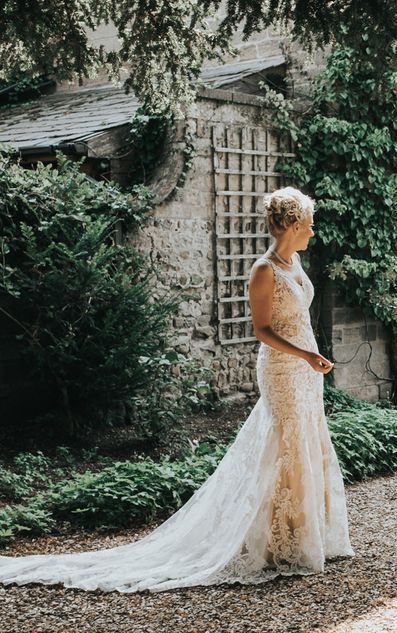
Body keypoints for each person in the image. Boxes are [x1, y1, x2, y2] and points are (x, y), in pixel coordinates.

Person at [0, 187, 354, 592]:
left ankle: (305, 535)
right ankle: (277, 543)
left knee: (306, 440)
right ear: (293, 224)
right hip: (282, 370)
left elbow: (299, 319)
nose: (313, 230)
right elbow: (262, 330)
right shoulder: (264, 270)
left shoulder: (294, 262)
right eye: (309, 223)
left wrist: (312, 356)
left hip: (306, 369)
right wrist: (304, 356)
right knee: (286, 444)